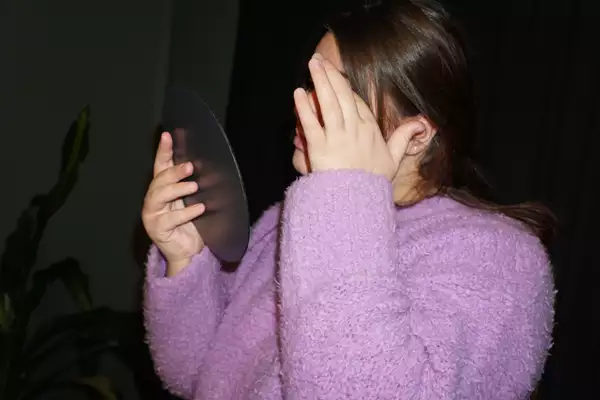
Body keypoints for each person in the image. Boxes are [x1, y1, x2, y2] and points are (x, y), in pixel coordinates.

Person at [141, 0, 555, 398]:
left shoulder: (500, 258)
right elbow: (193, 376)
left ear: (416, 136)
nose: (303, 106)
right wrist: (184, 259)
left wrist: (344, 193)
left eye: (337, 92)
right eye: (311, 84)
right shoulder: (287, 220)